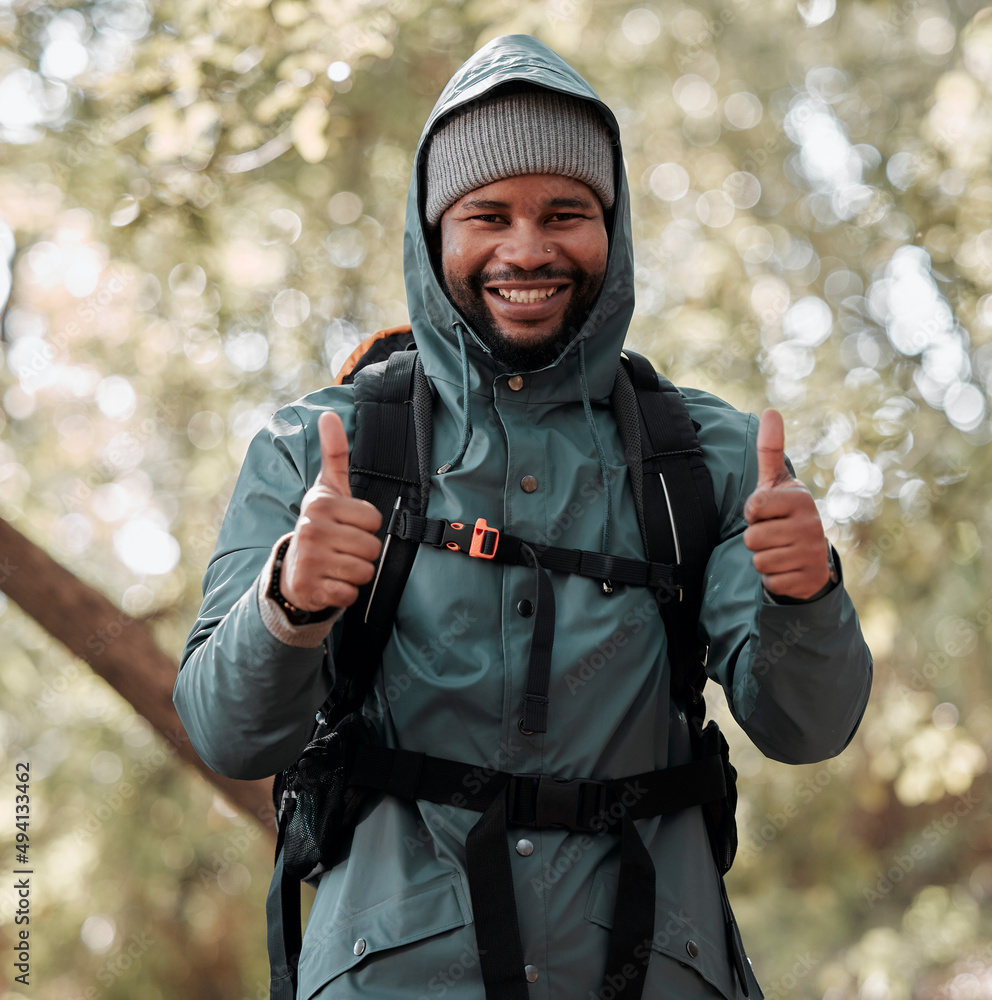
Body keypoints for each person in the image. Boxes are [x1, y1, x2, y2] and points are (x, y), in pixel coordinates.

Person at [174, 33, 872, 1000]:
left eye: (565, 213)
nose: (527, 249)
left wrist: (808, 597)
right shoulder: (317, 452)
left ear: (612, 229)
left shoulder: (708, 456)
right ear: (434, 236)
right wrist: (287, 605)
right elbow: (227, 735)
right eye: (487, 215)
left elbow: (807, 728)